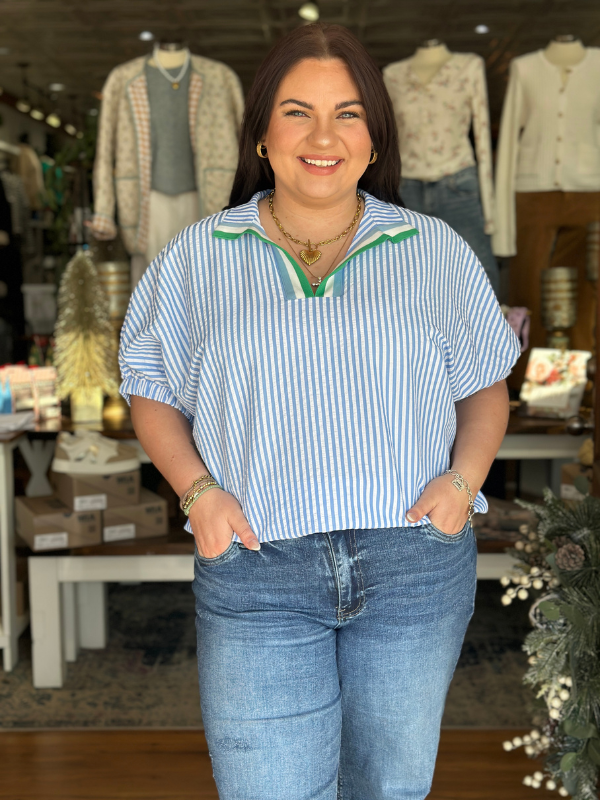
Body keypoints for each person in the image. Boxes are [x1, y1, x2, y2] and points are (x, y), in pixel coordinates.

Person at [119, 22, 520, 800]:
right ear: (263, 133)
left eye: (349, 113)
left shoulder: (433, 248)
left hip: (413, 564)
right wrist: (198, 494)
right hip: (256, 567)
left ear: (375, 138)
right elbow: (151, 388)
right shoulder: (200, 255)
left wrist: (462, 486)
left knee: (389, 788)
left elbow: (483, 387)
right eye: (298, 111)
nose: (324, 135)